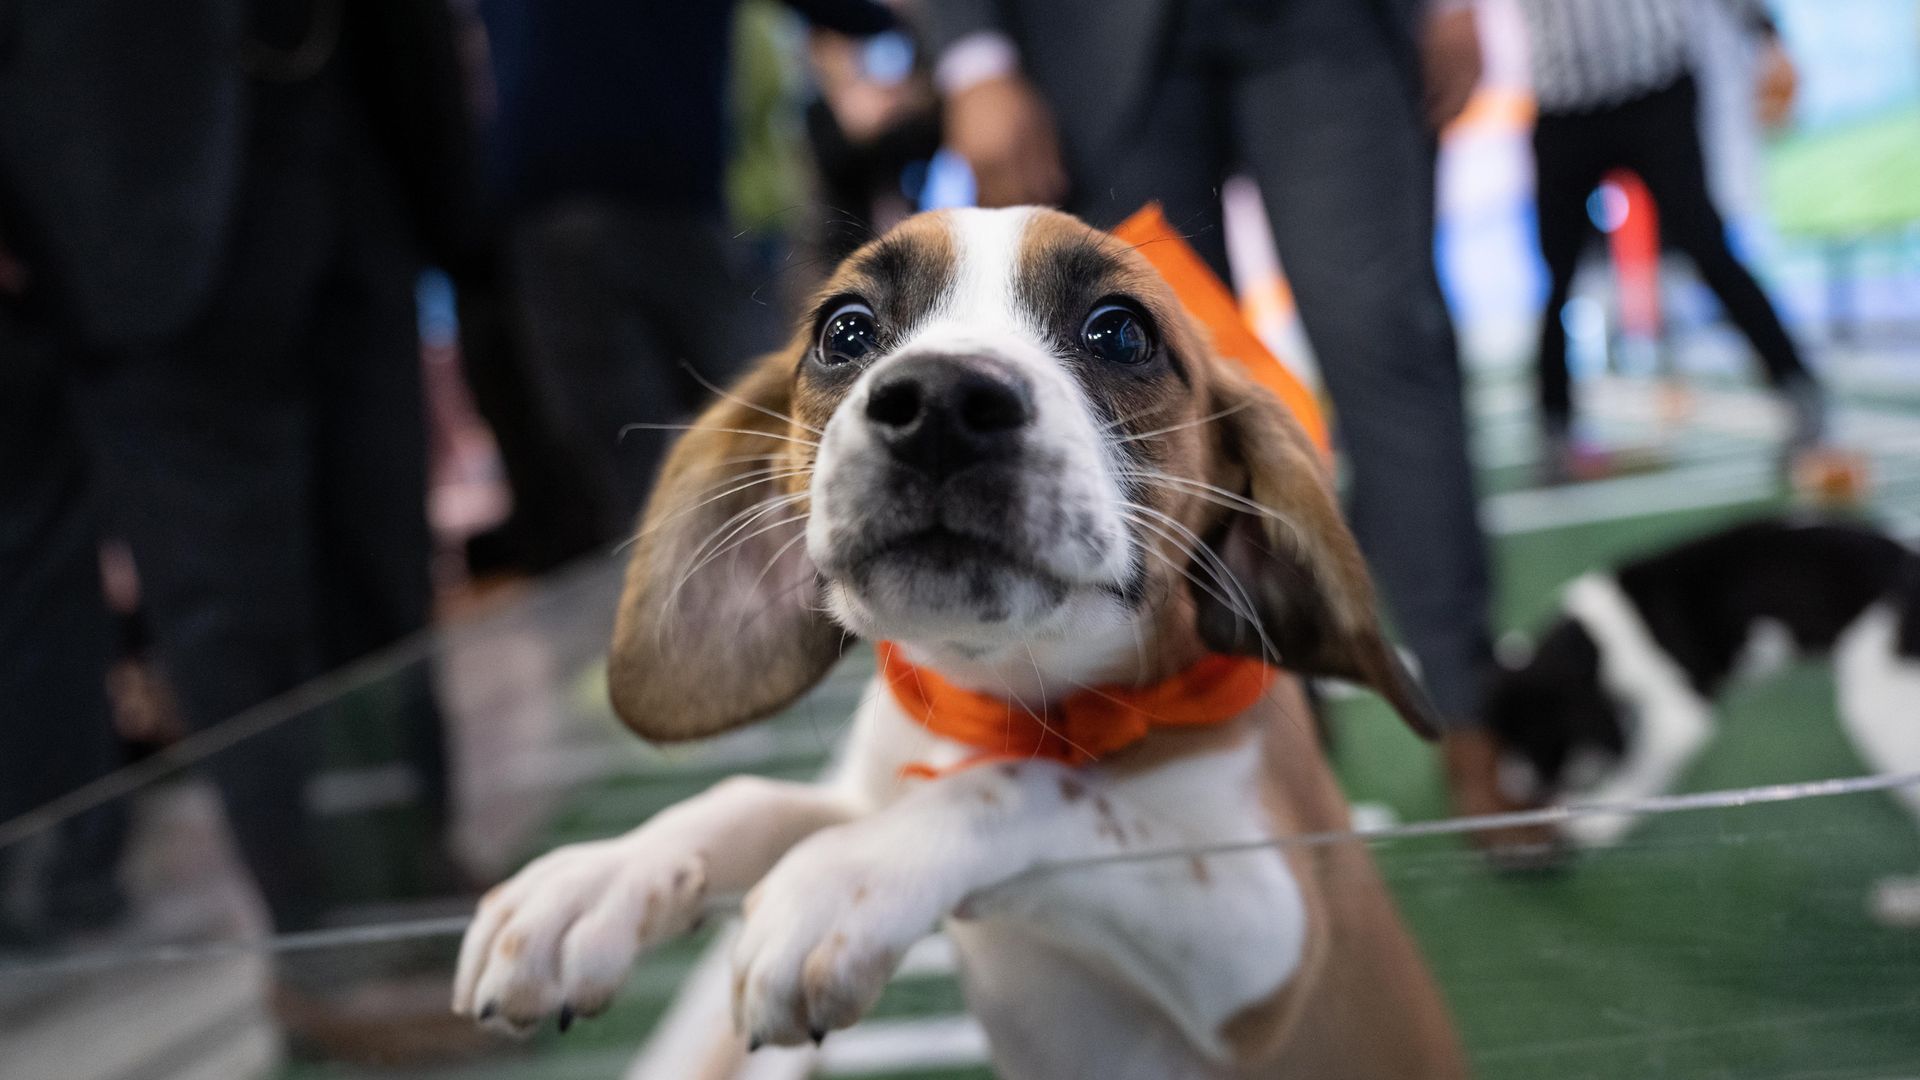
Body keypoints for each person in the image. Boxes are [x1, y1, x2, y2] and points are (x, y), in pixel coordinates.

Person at [922, 0, 1551, 853]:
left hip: (1328, 27)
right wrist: (974, 60)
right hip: (1089, 37)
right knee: (1144, 392)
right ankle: (1264, 726)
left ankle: (1472, 715)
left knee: (1389, 349)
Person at [0, 0, 477, 962]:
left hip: (350, 131)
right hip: (126, 175)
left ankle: (416, 877)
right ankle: (324, 942)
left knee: (382, 557)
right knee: (235, 612)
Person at [467, 0, 898, 558]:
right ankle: (807, 607)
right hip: (665, 195)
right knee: (769, 430)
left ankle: (697, 617)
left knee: (635, 473)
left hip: (548, 203)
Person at [1518, 0, 1824, 480]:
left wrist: (1769, 37)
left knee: (1707, 247)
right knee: (1556, 275)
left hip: (1655, 87)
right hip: (1563, 103)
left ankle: (1799, 389)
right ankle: (1555, 428)